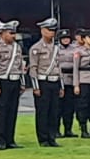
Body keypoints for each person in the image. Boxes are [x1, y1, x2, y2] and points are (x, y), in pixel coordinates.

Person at [0, 22, 27, 149]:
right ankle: (0, 140)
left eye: (14, 33)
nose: (13, 36)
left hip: (15, 81)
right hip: (2, 81)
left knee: (12, 111)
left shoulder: (17, 48)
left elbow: (20, 67)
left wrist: (22, 83)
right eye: (10, 33)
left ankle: (10, 139)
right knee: (1, 112)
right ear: (2, 34)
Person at [27, 18, 64, 148]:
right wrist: (36, 87)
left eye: (54, 30)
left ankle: (52, 137)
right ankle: (43, 139)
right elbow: (33, 68)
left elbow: (59, 68)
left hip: (55, 82)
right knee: (43, 112)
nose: (52, 33)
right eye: (49, 30)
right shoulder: (36, 48)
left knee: (54, 112)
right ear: (42, 31)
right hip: (43, 82)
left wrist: (61, 86)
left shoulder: (56, 48)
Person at [71, 29, 90, 138]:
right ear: (84, 39)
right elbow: (75, 68)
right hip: (84, 80)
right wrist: (76, 84)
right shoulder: (79, 51)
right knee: (83, 105)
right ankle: (84, 129)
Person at [56, 29, 77, 138]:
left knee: (69, 107)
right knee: (58, 108)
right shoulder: (56, 49)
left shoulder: (75, 49)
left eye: (67, 38)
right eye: (63, 38)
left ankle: (68, 129)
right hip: (60, 80)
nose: (65, 40)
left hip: (71, 80)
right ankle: (56, 130)